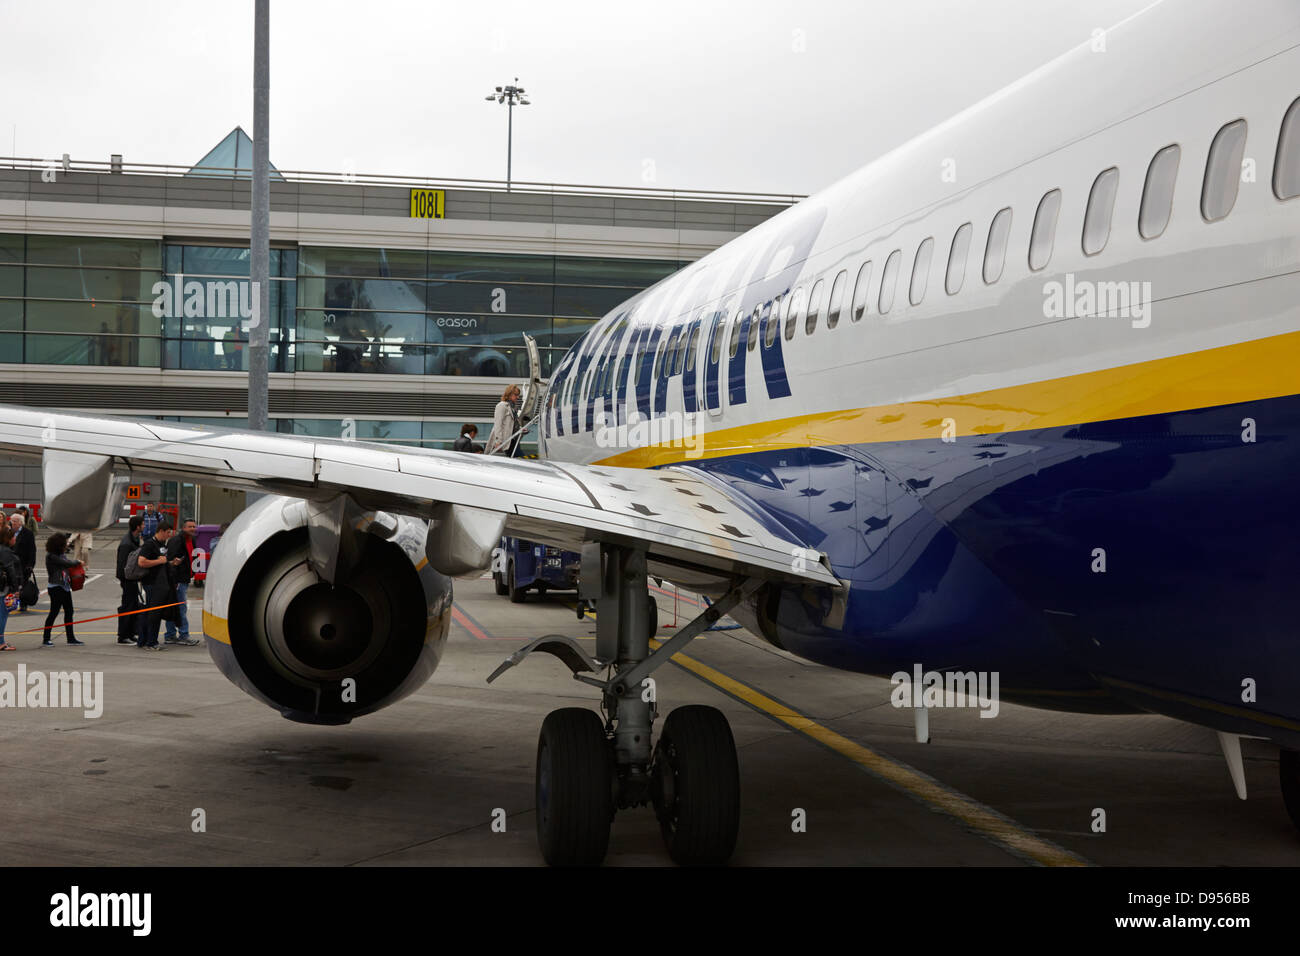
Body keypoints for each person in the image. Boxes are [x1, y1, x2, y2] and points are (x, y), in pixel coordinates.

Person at [136, 518, 180, 651]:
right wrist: (159, 561)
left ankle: (145, 640)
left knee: (154, 613)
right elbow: (142, 562)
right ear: (160, 531)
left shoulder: (162, 544)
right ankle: (150, 642)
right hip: (151, 584)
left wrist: (170, 563)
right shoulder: (150, 544)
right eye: (167, 532)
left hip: (160, 584)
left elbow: (162, 561)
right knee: (153, 614)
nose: (169, 535)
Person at [42, 533, 83, 646]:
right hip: (56, 587)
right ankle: (46, 638)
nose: (66, 545)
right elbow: (67, 563)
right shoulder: (51, 556)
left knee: (69, 611)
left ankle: (71, 638)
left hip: (64, 586)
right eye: (65, 543)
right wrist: (78, 562)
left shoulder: (60, 554)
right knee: (54, 612)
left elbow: (66, 564)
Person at [163, 518, 200, 646]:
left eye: (194, 527)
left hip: (184, 579)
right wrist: (174, 581)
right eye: (190, 527)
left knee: (175, 607)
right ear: (183, 528)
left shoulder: (192, 540)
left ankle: (170, 635)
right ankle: (183, 635)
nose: (193, 529)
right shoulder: (176, 541)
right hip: (177, 580)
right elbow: (171, 561)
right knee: (180, 608)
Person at [115, 515, 145, 645]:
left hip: (132, 578)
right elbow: (122, 565)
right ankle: (123, 635)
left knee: (133, 605)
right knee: (127, 606)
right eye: (142, 524)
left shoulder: (135, 539)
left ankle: (131, 633)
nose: (144, 526)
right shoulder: (127, 543)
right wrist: (129, 578)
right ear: (137, 527)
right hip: (128, 579)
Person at [0, 525, 23, 651]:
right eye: (13, 536)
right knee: (2, 614)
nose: (15, 538)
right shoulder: (6, 552)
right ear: (7, 538)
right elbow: (10, 571)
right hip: (3, 587)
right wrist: (15, 590)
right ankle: (1, 642)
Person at [485, 384, 521, 456]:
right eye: (516, 394)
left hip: (513, 440)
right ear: (509, 394)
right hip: (505, 442)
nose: (518, 397)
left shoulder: (513, 408)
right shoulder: (502, 405)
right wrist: (498, 441)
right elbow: (498, 424)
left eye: (518, 395)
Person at [10, 513, 36, 612]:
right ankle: (12, 604)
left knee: (23, 584)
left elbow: (32, 550)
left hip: (23, 564)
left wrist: (31, 564)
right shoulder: (9, 532)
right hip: (11, 563)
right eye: (12, 521)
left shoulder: (28, 533)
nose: (12, 523)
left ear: (20, 523)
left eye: (15, 521)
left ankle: (23, 604)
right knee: (11, 584)